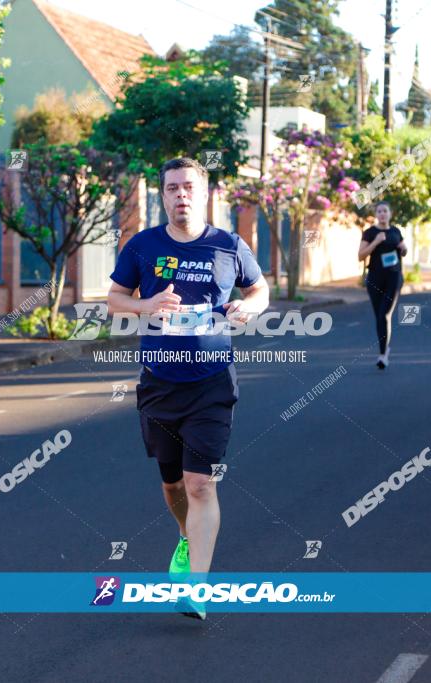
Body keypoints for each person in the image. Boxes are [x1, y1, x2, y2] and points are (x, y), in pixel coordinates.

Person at [107, 157, 269, 619]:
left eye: (189, 187)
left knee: (202, 484)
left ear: (204, 193)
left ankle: (195, 586)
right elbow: (114, 299)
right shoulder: (142, 246)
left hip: (212, 383)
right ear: (163, 195)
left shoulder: (228, 245)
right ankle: (184, 537)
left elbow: (261, 290)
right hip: (160, 381)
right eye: (172, 188)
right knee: (173, 482)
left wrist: (249, 308)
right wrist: (148, 303)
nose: (181, 195)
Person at [358, 201, 408, 369]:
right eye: (379, 211)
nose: (382, 214)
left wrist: (403, 248)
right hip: (375, 278)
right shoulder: (370, 233)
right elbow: (360, 255)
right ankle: (385, 349)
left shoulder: (395, 232)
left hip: (393, 277)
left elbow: (403, 250)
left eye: (385, 211)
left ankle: (382, 355)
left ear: (390, 214)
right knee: (379, 316)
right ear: (376, 214)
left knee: (384, 315)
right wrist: (376, 242)